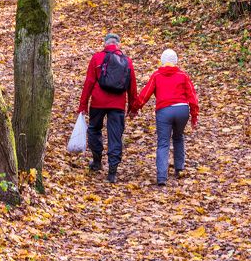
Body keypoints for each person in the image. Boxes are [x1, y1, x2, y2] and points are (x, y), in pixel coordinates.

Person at [131, 48, 199, 186]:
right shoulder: (183, 75)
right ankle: (179, 168)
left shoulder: (157, 76)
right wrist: (194, 115)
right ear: (176, 61)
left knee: (163, 142)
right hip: (182, 110)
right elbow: (192, 96)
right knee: (178, 137)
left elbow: (145, 94)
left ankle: (162, 176)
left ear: (162, 61)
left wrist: (134, 109)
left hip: (164, 111)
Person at [77, 33, 138, 183]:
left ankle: (97, 161)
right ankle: (112, 171)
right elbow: (132, 86)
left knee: (94, 129)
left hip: (98, 102)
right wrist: (132, 107)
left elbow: (89, 82)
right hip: (117, 105)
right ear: (119, 45)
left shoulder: (97, 58)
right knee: (115, 136)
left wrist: (83, 104)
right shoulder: (127, 61)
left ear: (105, 44)